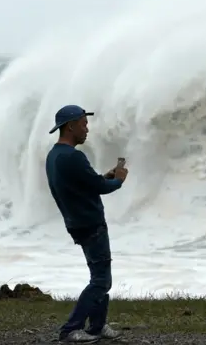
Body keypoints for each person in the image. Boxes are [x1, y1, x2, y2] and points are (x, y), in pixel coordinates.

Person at [44, 104, 129, 343]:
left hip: (77, 222)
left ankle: (97, 326)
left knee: (99, 276)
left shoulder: (55, 156)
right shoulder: (73, 156)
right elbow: (100, 189)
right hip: (90, 224)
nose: (87, 129)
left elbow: (86, 184)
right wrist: (119, 180)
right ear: (70, 126)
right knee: (101, 281)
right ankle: (71, 329)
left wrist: (105, 176)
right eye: (83, 124)